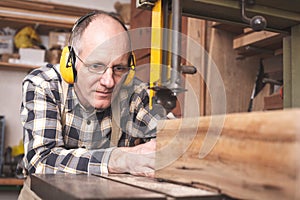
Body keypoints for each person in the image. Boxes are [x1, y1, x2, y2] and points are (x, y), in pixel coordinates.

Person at [20, 10, 165, 180]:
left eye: (119, 68)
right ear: (71, 62)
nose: (109, 82)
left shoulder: (135, 93)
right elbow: (41, 161)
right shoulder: (43, 85)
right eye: (96, 66)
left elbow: (169, 141)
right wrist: (120, 159)